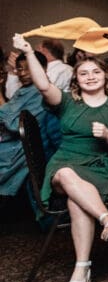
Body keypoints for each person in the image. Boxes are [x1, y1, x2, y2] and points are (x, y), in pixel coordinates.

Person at [12, 34, 108, 282]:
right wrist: (29, 52)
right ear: (75, 79)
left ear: (106, 76)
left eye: (95, 72)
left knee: (76, 200)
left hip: (102, 167)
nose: (90, 77)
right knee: (67, 175)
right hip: (66, 162)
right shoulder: (67, 102)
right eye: (83, 73)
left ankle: (81, 269)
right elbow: (44, 86)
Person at [0, 52, 62, 215]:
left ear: (42, 68)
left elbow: (16, 125)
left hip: (25, 148)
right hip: (14, 142)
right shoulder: (23, 90)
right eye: (20, 68)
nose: (23, 73)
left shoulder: (40, 92)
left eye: (28, 68)